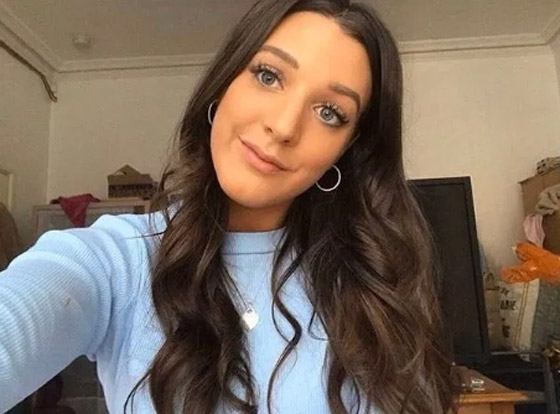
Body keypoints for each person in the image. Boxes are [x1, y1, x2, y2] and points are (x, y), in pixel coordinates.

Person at [0, 0, 461, 413]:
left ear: (346, 149)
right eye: (268, 76)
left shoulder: (378, 290)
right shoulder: (117, 261)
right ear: (224, 84)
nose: (283, 126)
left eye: (329, 113)